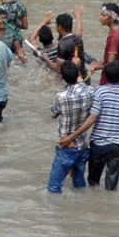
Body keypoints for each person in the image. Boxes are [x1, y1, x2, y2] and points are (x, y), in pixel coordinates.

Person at [58, 60, 119, 191]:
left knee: (92, 183)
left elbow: (92, 118)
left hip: (98, 145)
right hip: (118, 146)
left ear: (104, 77)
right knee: (111, 186)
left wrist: (71, 137)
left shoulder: (99, 92)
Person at [49, 60, 94, 194]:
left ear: (63, 77)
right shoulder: (90, 91)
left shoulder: (61, 97)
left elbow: (53, 113)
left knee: (54, 187)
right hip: (82, 144)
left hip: (66, 145)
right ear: (78, 74)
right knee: (79, 184)